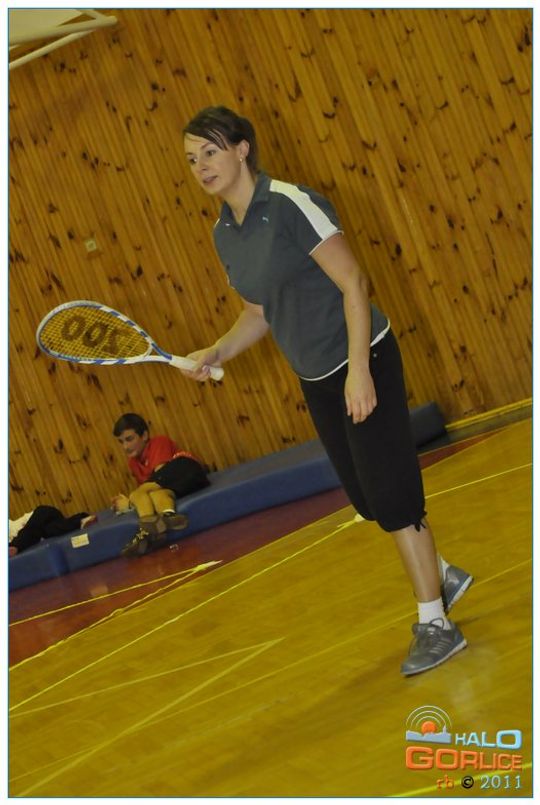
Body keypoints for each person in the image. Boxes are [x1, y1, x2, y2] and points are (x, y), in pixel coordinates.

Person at [180, 106, 473, 676]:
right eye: (192, 159)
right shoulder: (224, 233)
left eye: (210, 152)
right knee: (368, 501)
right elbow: (258, 312)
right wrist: (216, 350)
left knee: (393, 494)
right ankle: (442, 575)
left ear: (242, 149)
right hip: (315, 377)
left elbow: (353, 282)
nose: (201, 167)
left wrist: (360, 370)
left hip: (364, 357)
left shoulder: (291, 204)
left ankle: (436, 622)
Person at [112, 413, 209, 557]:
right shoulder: (133, 463)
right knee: (158, 494)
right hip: (179, 486)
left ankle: (146, 532)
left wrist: (129, 504)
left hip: (188, 468)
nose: (125, 446)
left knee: (138, 493)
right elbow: (158, 488)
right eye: (121, 442)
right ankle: (167, 515)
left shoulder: (158, 442)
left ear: (144, 435)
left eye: (129, 439)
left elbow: (160, 475)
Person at [9, 505, 96, 556]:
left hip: (42, 514)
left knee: (31, 531)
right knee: (50, 530)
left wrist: (15, 546)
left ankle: (16, 546)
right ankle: (82, 520)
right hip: (46, 529)